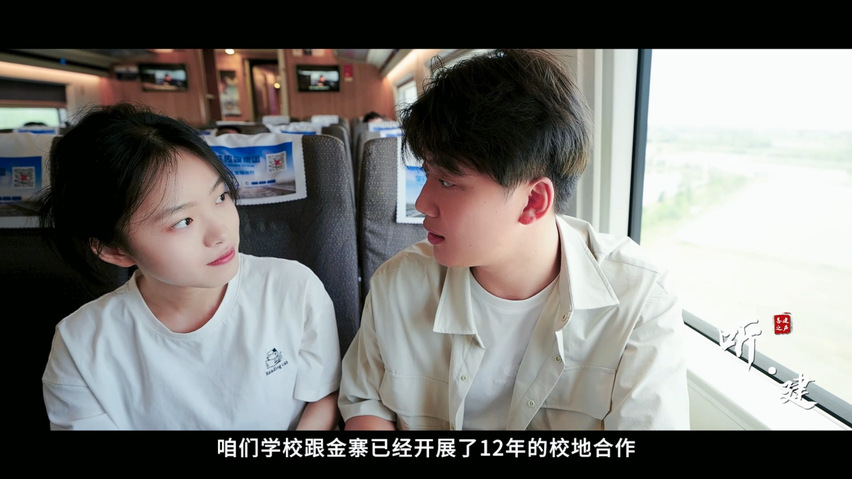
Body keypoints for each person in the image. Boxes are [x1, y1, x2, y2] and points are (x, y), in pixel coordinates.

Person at [338, 49, 690, 430]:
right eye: (427, 175)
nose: (422, 203)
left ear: (533, 201)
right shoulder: (396, 285)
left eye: (448, 182)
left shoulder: (640, 303)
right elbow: (366, 401)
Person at [38, 102, 341, 430]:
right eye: (183, 221)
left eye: (221, 197)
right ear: (114, 250)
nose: (221, 233)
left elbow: (322, 395)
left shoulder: (293, 288)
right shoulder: (81, 345)